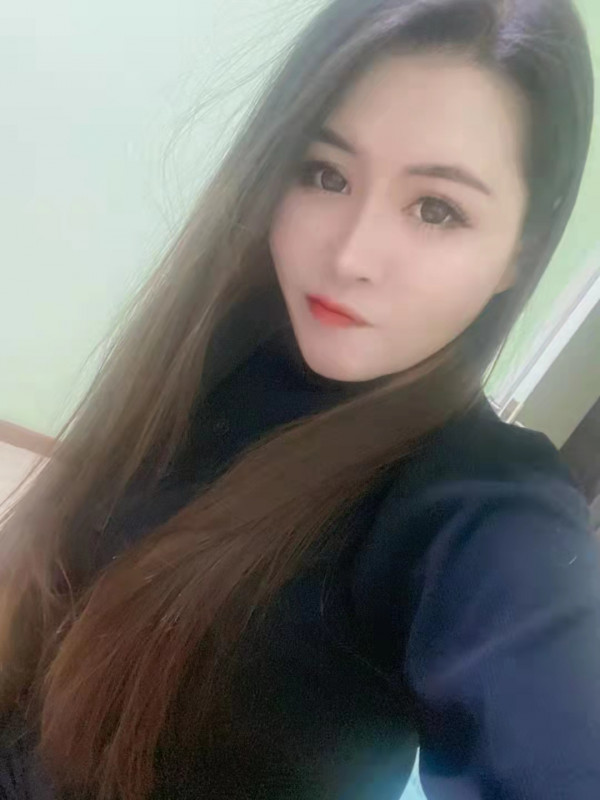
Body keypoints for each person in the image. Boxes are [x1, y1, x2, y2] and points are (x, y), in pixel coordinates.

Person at [1, 0, 599, 798]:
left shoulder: (476, 509)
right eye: (326, 174)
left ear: (519, 254)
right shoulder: (223, 338)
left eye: (436, 209)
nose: (349, 255)